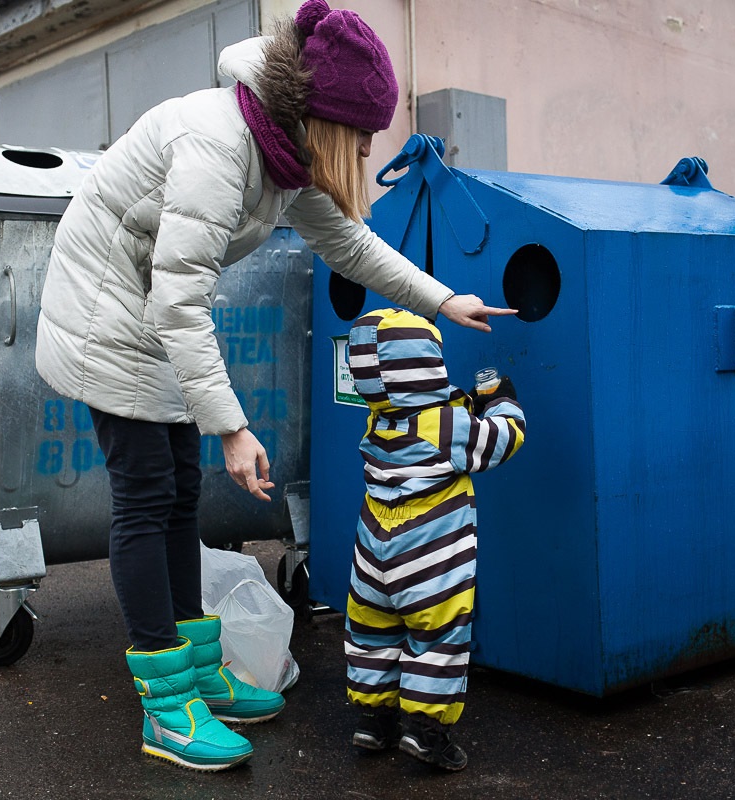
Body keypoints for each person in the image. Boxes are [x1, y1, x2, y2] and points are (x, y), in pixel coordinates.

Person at [35, 0, 514, 772]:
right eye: (360, 138)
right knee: (146, 491)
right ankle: (166, 704)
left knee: (179, 492)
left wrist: (441, 299)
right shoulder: (219, 145)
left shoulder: (284, 152)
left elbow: (352, 246)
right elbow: (179, 298)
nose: (362, 155)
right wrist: (231, 426)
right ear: (327, 119)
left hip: (154, 304)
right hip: (107, 309)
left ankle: (197, 674)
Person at [342, 309, 526, 772]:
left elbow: (425, 409)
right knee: (437, 637)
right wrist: (502, 402)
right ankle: (427, 731)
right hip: (427, 555)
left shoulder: (377, 421)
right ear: (428, 366)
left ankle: (373, 720)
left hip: (372, 549)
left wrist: (457, 401)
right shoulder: (449, 431)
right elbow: (503, 439)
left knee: (372, 632)